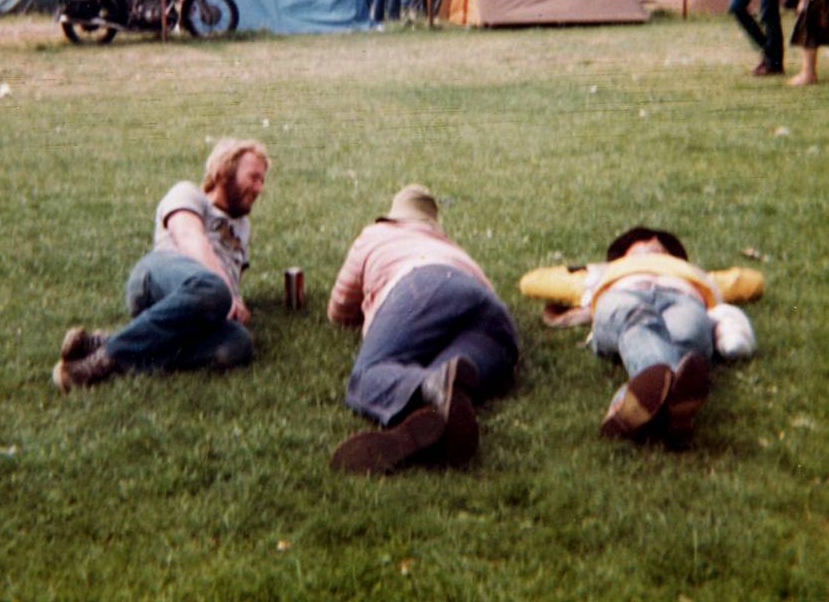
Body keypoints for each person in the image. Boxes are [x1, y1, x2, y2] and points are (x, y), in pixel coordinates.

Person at [327, 185, 519, 474]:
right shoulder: (451, 246)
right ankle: (443, 393)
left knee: (369, 375)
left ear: (393, 216)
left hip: (419, 287)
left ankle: (427, 387)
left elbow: (340, 309)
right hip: (492, 316)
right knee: (455, 371)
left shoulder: (375, 235)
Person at [53, 138, 270, 391]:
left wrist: (237, 303)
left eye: (262, 181)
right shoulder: (188, 193)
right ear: (224, 172)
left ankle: (108, 343)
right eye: (253, 177)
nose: (259, 188)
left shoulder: (243, 228)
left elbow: (232, 275)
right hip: (158, 277)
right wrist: (227, 292)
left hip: (200, 307)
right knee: (214, 289)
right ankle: (99, 364)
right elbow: (189, 237)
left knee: (238, 344)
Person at [519, 226, 764, 444]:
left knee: (686, 335)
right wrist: (585, 270)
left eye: (658, 249)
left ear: (671, 256)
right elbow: (531, 282)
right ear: (624, 255)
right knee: (637, 317)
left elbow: (753, 281)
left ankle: (633, 406)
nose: (648, 250)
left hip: (683, 299)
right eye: (638, 249)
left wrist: (696, 273)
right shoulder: (601, 273)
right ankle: (673, 398)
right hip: (624, 297)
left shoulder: (695, 273)